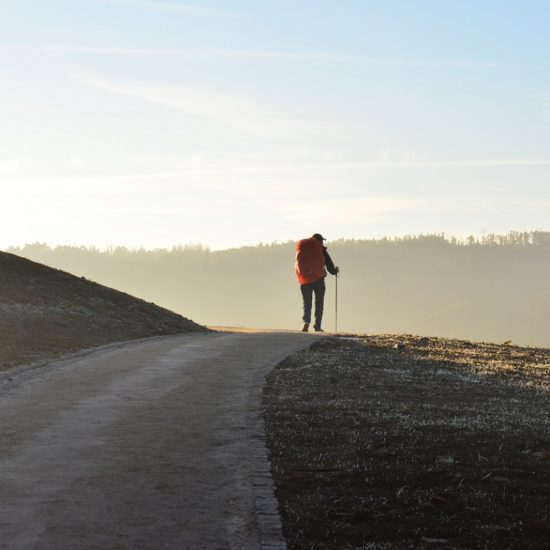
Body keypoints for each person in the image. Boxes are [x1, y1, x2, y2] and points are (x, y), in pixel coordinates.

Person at [295, 233, 339, 332]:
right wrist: (335, 271)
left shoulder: (303, 247)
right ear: (320, 240)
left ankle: (306, 322)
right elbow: (330, 266)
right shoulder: (320, 249)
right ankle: (317, 326)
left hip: (305, 280)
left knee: (307, 303)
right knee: (319, 303)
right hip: (319, 280)